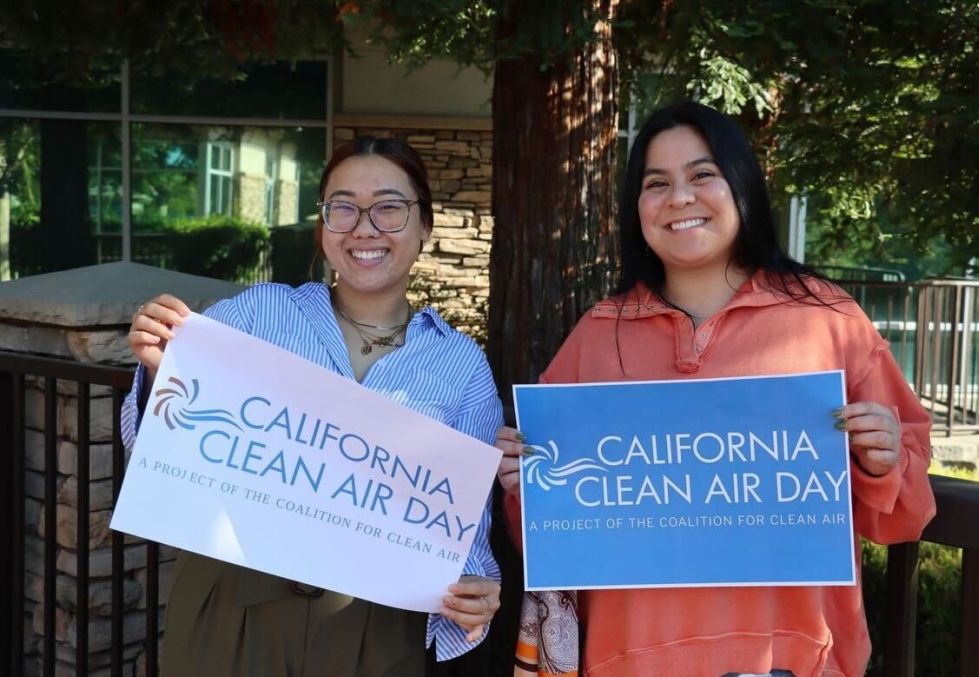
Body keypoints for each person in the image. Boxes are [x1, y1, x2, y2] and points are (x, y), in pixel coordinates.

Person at [497, 101, 936, 677]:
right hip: (628, 660)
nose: (680, 197)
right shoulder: (599, 335)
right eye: (657, 183)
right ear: (637, 210)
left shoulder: (829, 318)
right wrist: (523, 484)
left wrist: (881, 461)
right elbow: (546, 537)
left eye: (703, 174)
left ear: (743, 186)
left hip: (795, 659)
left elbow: (904, 517)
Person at [122, 136, 502, 677]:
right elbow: (153, 442)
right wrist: (163, 371)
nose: (364, 227)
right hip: (233, 601)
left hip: (377, 625)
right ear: (323, 225)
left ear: (424, 227)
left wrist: (477, 592)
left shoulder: (461, 366)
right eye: (342, 207)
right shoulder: (258, 313)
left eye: (390, 208)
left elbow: (463, 529)